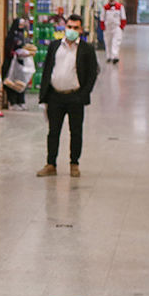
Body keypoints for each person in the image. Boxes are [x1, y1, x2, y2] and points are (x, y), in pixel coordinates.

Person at [36, 14, 100, 178]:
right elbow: (47, 70)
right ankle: (51, 164)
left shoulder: (86, 49)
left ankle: (74, 163)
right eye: (69, 27)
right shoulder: (55, 46)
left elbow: (93, 73)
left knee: (76, 132)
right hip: (55, 96)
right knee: (53, 131)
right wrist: (44, 95)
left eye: (75, 28)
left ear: (81, 30)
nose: (71, 31)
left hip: (75, 97)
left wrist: (83, 94)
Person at [1, 18, 31, 109]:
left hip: (20, 62)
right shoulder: (11, 35)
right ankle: (12, 101)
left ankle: (20, 101)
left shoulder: (22, 35)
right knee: (11, 82)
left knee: (20, 82)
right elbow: (8, 48)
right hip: (11, 63)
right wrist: (13, 53)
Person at [100, 0, 127, 64]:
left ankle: (115, 56)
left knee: (116, 42)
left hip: (116, 27)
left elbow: (123, 17)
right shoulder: (105, 7)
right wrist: (102, 27)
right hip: (107, 27)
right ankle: (109, 56)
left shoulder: (120, 6)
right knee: (108, 42)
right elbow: (102, 17)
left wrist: (122, 26)